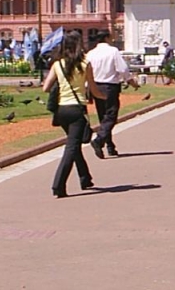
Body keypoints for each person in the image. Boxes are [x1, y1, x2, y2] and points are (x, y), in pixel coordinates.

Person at [42, 31, 106, 198]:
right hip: (77, 108)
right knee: (72, 147)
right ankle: (58, 184)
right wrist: (104, 97)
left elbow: (46, 87)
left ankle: (85, 177)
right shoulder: (85, 64)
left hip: (62, 109)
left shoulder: (58, 64)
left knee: (74, 143)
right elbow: (93, 89)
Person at [86, 30, 139, 159]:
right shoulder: (113, 51)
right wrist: (131, 82)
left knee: (103, 117)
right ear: (107, 38)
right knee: (111, 116)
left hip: (95, 86)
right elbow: (123, 69)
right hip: (109, 86)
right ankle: (99, 140)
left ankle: (110, 146)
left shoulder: (91, 53)